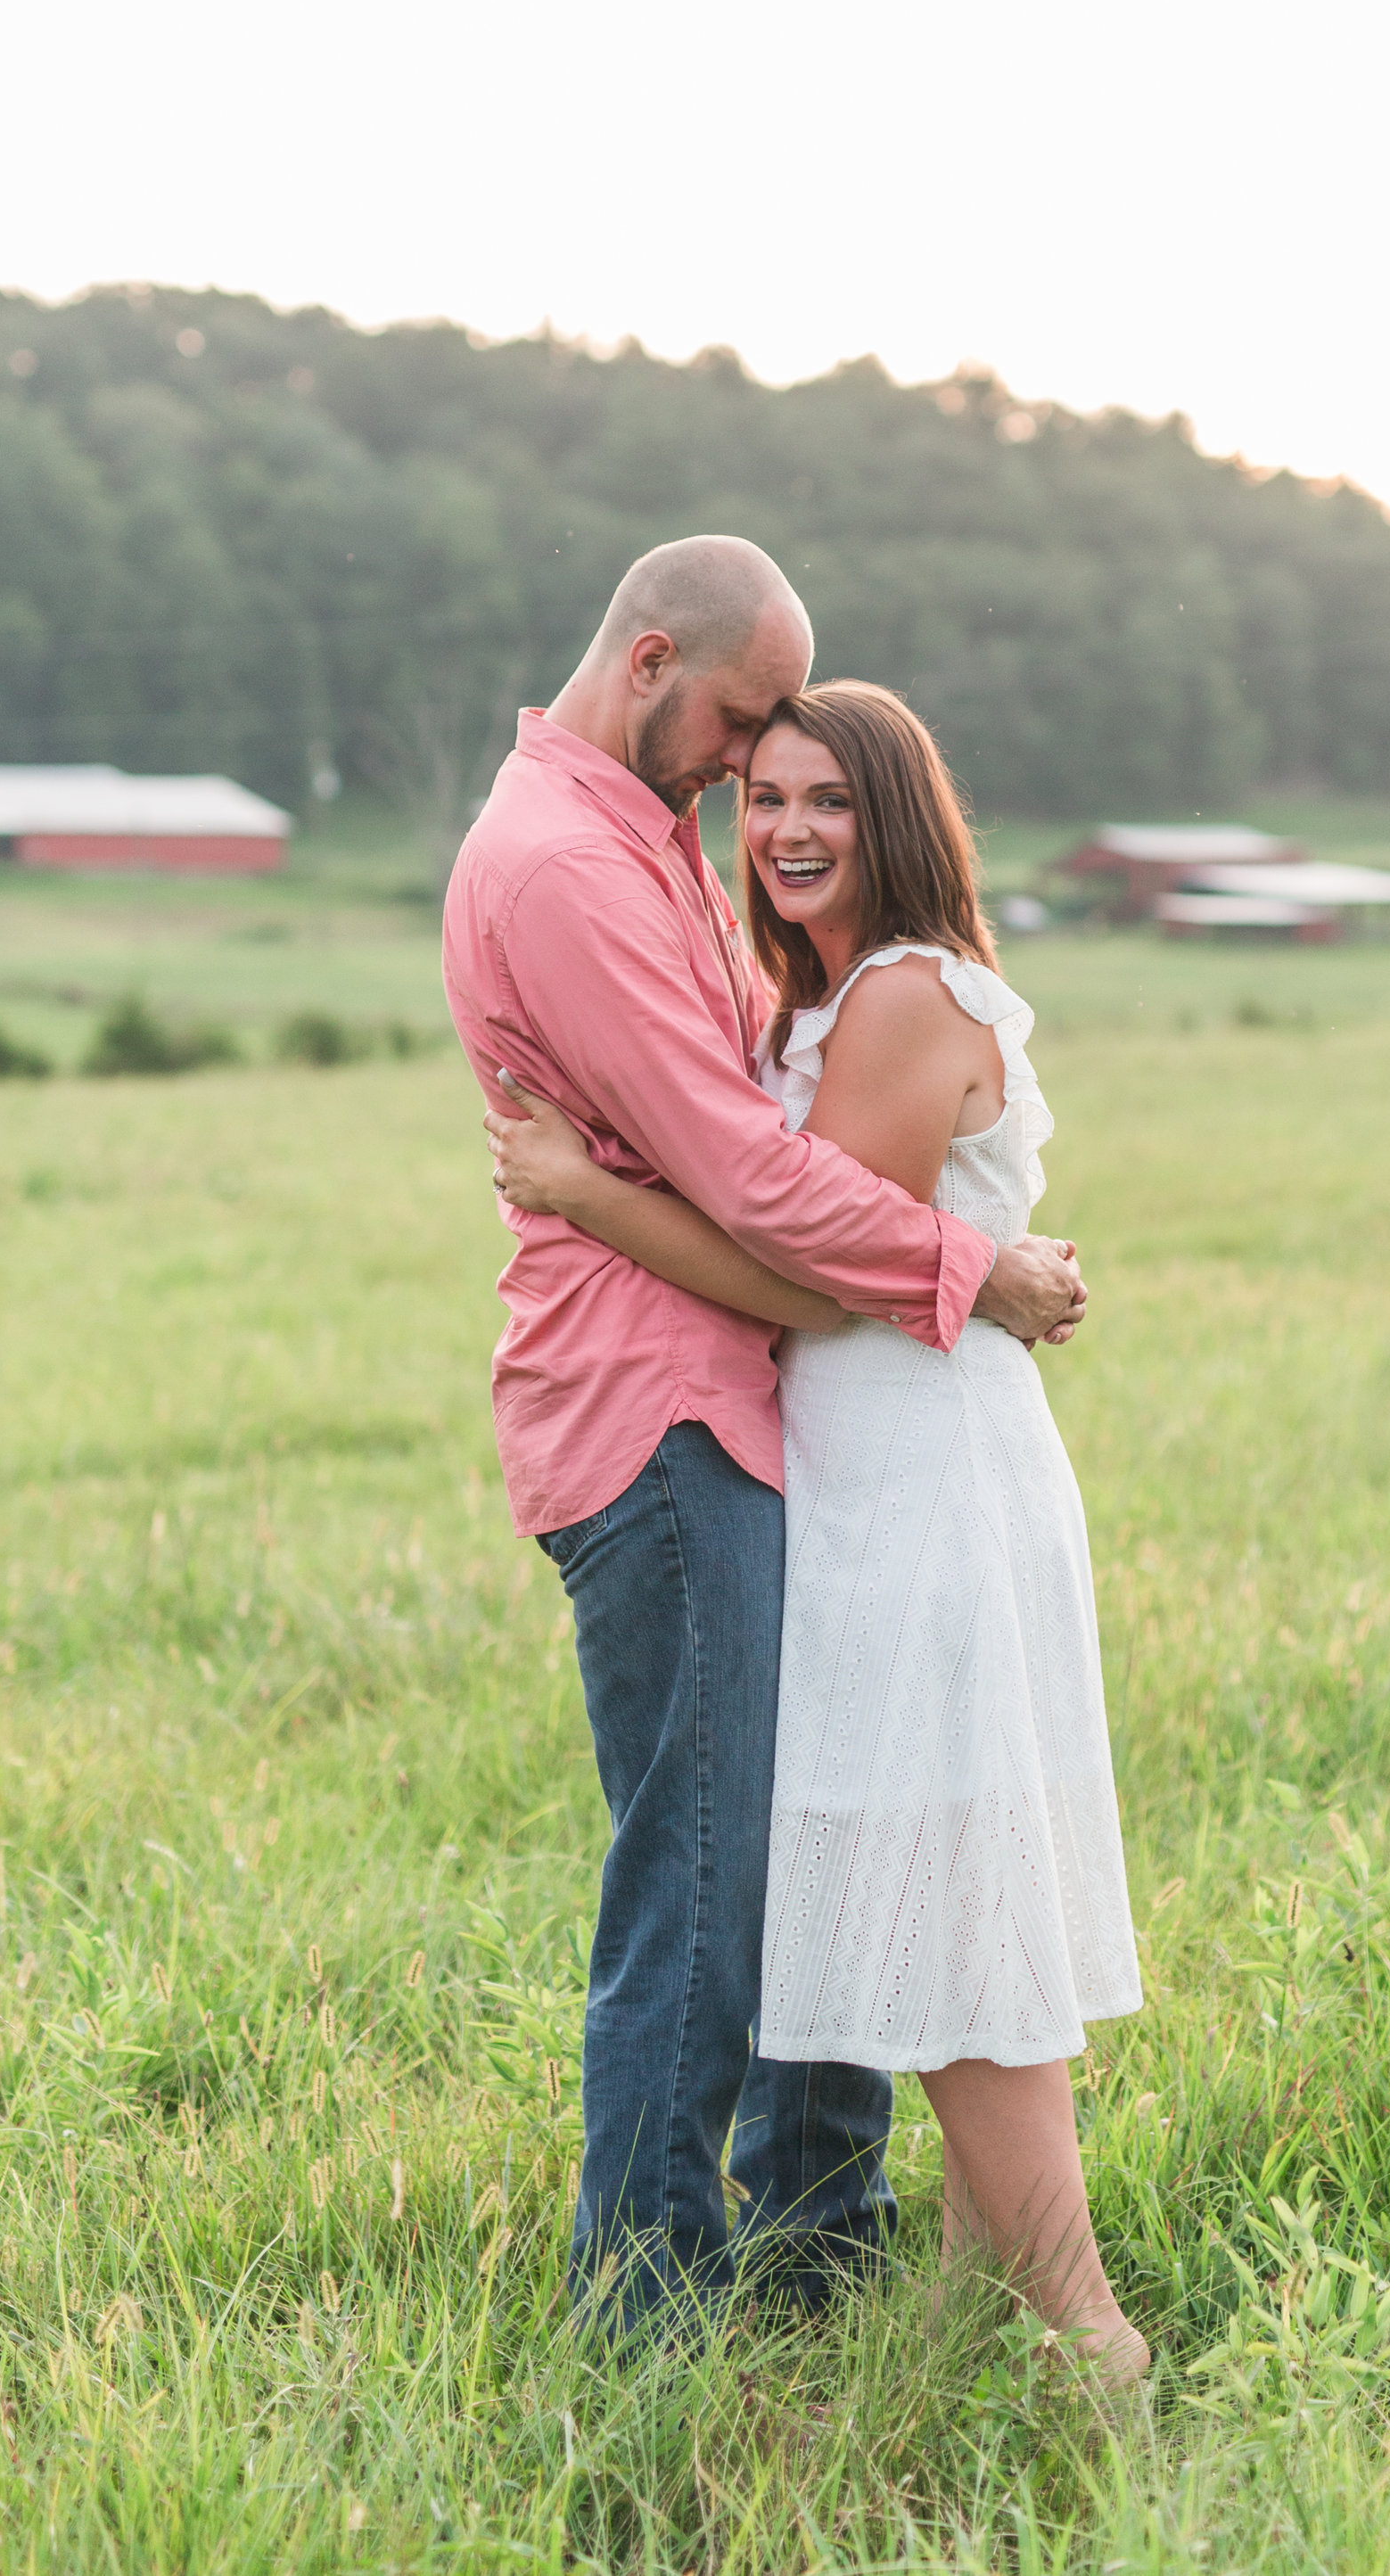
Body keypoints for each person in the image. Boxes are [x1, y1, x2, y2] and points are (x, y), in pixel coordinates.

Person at [440, 539, 1088, 2332]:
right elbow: (742, 1175)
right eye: (738, 733)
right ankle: (642, 2318)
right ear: (648, 660)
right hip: (657, 1412)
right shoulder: (565, 861)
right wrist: (974, 1267)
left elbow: (755, 1126)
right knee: (708, 1886)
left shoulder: (639, 835)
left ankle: (814, 2243)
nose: (748, 780)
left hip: (746, 1404)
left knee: (803, 1846)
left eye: (793, 772)